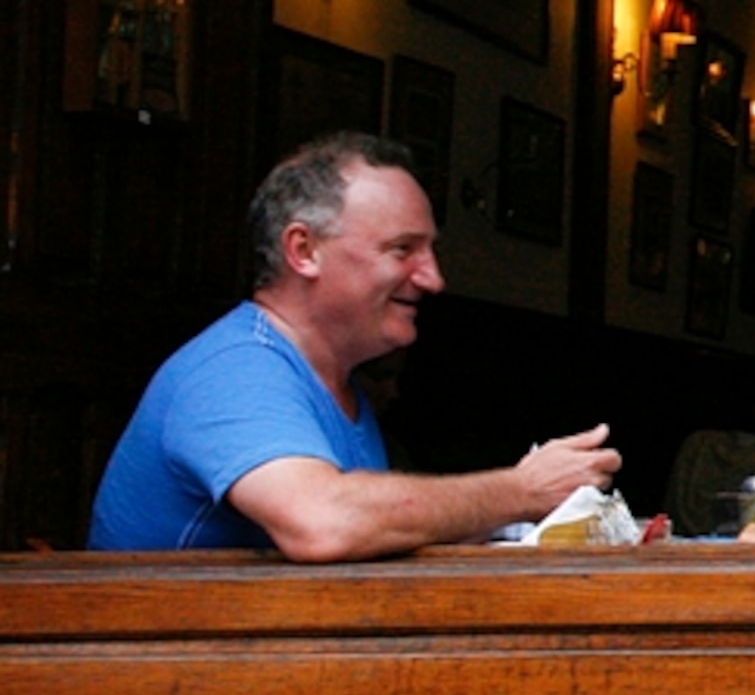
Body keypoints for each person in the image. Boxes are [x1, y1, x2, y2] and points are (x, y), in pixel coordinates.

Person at [90, 133, 619, 558]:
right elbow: (325, 523)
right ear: (304, 250)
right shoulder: (236, 370)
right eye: (402, 249)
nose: (433, 278)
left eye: (429, 251)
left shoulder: (337, 384)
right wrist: (522, 491)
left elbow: (373, 533)